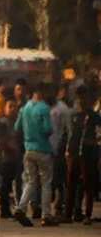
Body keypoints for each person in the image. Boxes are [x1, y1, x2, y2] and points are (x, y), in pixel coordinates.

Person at [13, 83, 55, 227]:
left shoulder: (24, 108)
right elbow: (48, 129)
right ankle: (46, 215)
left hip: (28, 149)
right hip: (43, 149)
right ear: (41, 92)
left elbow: (16, 127)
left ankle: (21, 207)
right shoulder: (44, 108)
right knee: (46, 183)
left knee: (30, 181)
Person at [64, 86, 101, 225]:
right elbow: (69, 134)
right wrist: (67, 150)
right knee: (71, 183)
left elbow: (99, 134)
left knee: (88, 184)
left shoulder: (94, 116)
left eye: (84, 97)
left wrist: (94, 144)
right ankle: (68, 214)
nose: (81, 100)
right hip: (74, 153)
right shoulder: (74, 115)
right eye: (79, 97)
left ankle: (87, 215)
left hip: (88, 153)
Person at [0, 99, 22, 218]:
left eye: (14, 107)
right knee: (5, 185)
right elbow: (1, 142)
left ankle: (17, 209)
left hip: (16, 158)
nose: (12, 109)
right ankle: (4, 210)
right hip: (5, 159)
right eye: (10, 106)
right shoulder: (3, 123)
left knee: (15, 185)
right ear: (5, 108)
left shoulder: (18, 122)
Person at [49, 85, 71, 217]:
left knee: (59, 179)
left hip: (58, 148)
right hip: (46, 148)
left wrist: (65, 147)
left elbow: (68, 130)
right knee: (50, 179)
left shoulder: (62, 109)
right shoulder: (45, 107)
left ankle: (59, 206)